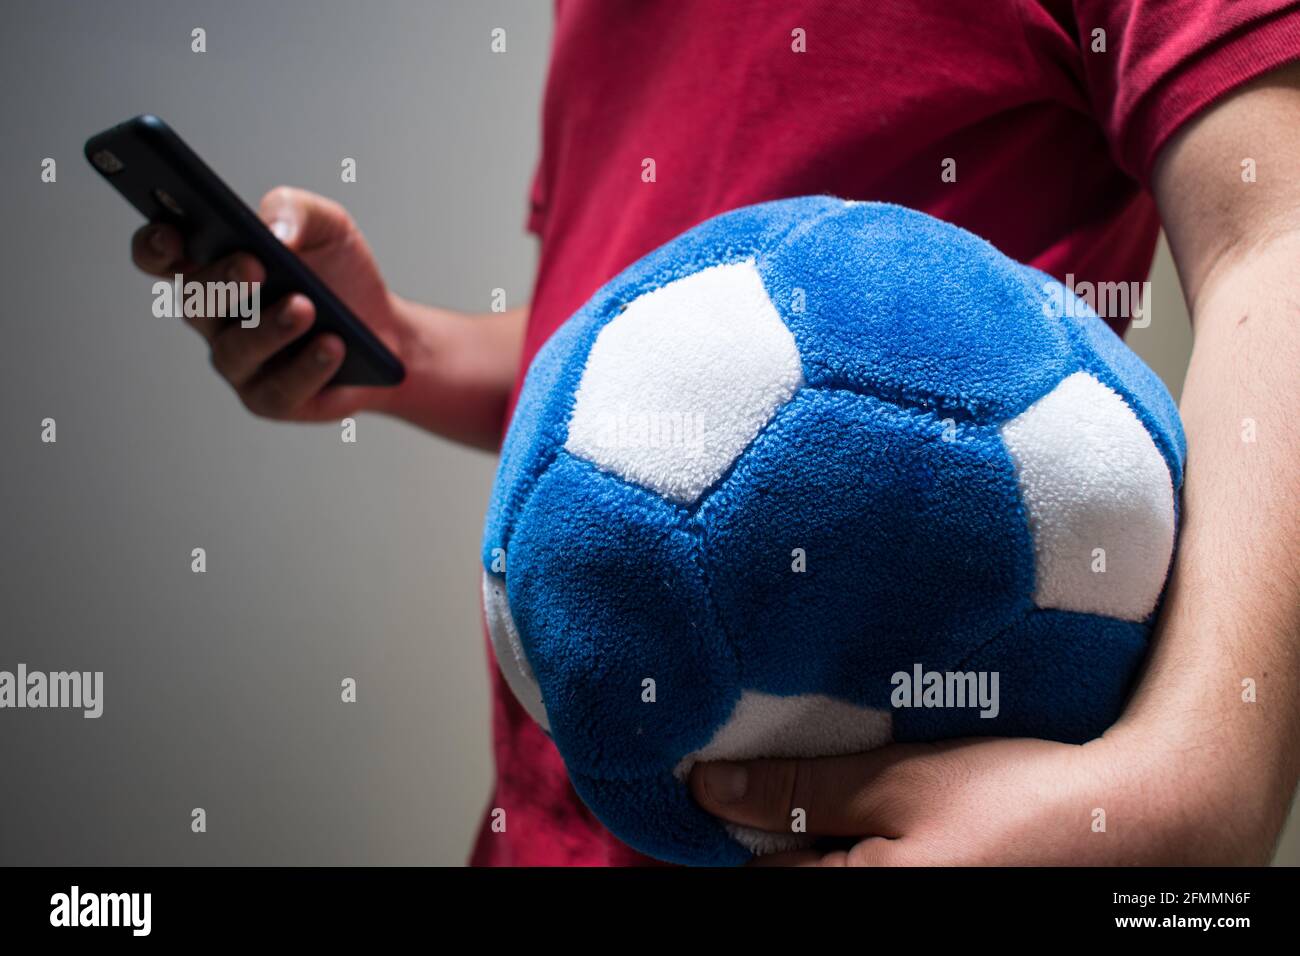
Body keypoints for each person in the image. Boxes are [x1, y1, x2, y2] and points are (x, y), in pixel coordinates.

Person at [129, 1, 1300, 866]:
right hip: (561, 814)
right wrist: (396, 350)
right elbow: (650, 370)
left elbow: (1276, 230)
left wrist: (1187, 788)